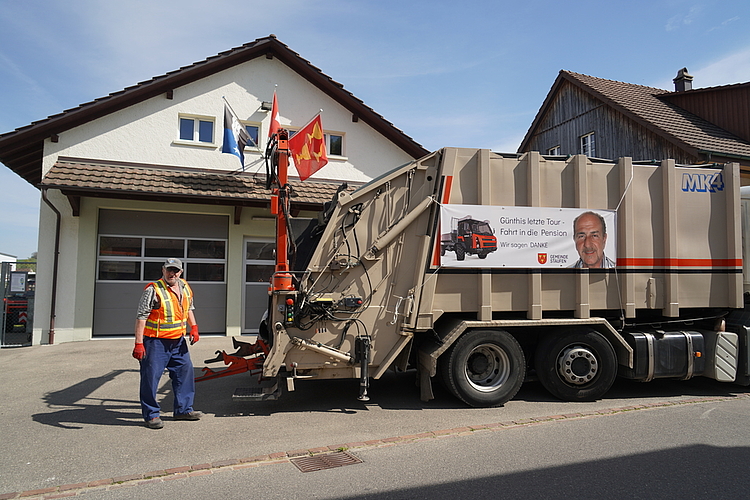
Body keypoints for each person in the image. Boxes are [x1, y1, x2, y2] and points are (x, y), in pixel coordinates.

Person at [132, 258, 203, 429]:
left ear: (181, 272)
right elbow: (141, 317)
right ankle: (151, 415)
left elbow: (189, 309)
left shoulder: (185, 286)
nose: (173, 273)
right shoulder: (153, 290)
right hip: (156, 343)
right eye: (169, 270)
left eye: (176, 270)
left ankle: (183, 410)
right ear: (163, 270)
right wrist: (138, 344)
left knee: (184, 373)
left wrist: (194, 327)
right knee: (151, 378)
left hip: (178, 342)